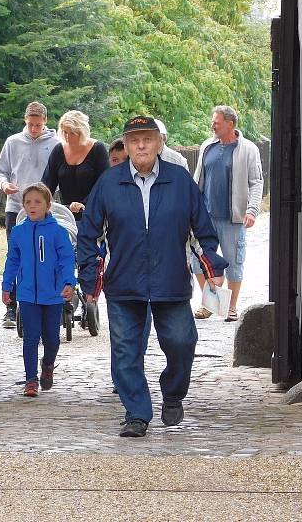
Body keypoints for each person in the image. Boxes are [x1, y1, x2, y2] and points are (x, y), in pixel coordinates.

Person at [77, 115, 228, 438]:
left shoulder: (179, 180)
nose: (141, 145)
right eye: (134, 140)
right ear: (126, 146)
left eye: (147, 138)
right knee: (125, 351)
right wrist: (90, 280)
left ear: (160, 142)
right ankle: (137, 413)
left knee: (181, 342)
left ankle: (173, 392)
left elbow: (202, 230)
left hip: (170, 281)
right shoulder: (109, 183)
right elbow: (89, 235)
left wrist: (213, 269)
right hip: (124, 283)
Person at [1, 183, 76, 397]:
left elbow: (66, 260)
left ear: (47, 205)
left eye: (37, 202)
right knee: (31, 337)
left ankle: (48, 364)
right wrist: (8, 286)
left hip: (53, 295)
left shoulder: (58, 232)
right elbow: (12, 260)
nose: (32, 206)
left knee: (52, 339)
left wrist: (69, 283)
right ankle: (31, 380)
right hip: (27, 295)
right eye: (28, 202)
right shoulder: (18, 232)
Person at [191, 106, 263, 322]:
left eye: (217, 122)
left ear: (230, 124)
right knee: (199, 262)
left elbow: (257, 182)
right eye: (213, 122)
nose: (213, 125)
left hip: (233, 219)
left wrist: (252, 210)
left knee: (233, 263)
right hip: (206, 217)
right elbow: (197, 179)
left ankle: (231, 307)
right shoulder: (207, 146)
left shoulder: (248, 149)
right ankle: (210, 304)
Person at [0, 102, 60, 328]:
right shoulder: (13, 142)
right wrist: (4, 185)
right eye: (30, 124)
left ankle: (48, 300)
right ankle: (11, 306)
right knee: (16, 254)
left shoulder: (56, 143)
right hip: (16, 206)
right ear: (25, 120)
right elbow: (0, 171)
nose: (33, 129)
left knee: (48, 254)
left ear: (45, 123)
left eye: (38, 125)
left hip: (47, 208)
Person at [41, 110, 109, 223]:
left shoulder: (98, 149)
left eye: (72, 133)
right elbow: (47, 183)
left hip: (93, 213)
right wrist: (40, 202)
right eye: (64, 132)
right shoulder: (58, 150)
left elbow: (103, 184)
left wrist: (84, 203)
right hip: (66, 214)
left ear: (82, 132)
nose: (67, 137)